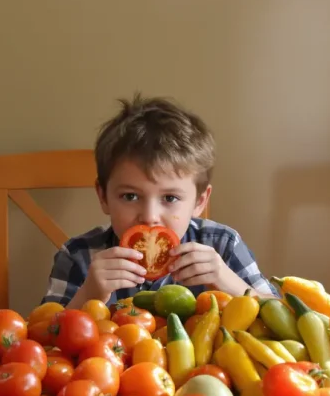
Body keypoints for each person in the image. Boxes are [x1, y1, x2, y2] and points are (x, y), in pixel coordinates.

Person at [40, 93, 278, 309]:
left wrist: (232, 286)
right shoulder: (79, 256)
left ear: (199, 201)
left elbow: (283, 320)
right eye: (130, 196)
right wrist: (89, 295)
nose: (149, 215)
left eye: (170, 198)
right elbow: (44, 341)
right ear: (103, 196)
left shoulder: (222, 246)